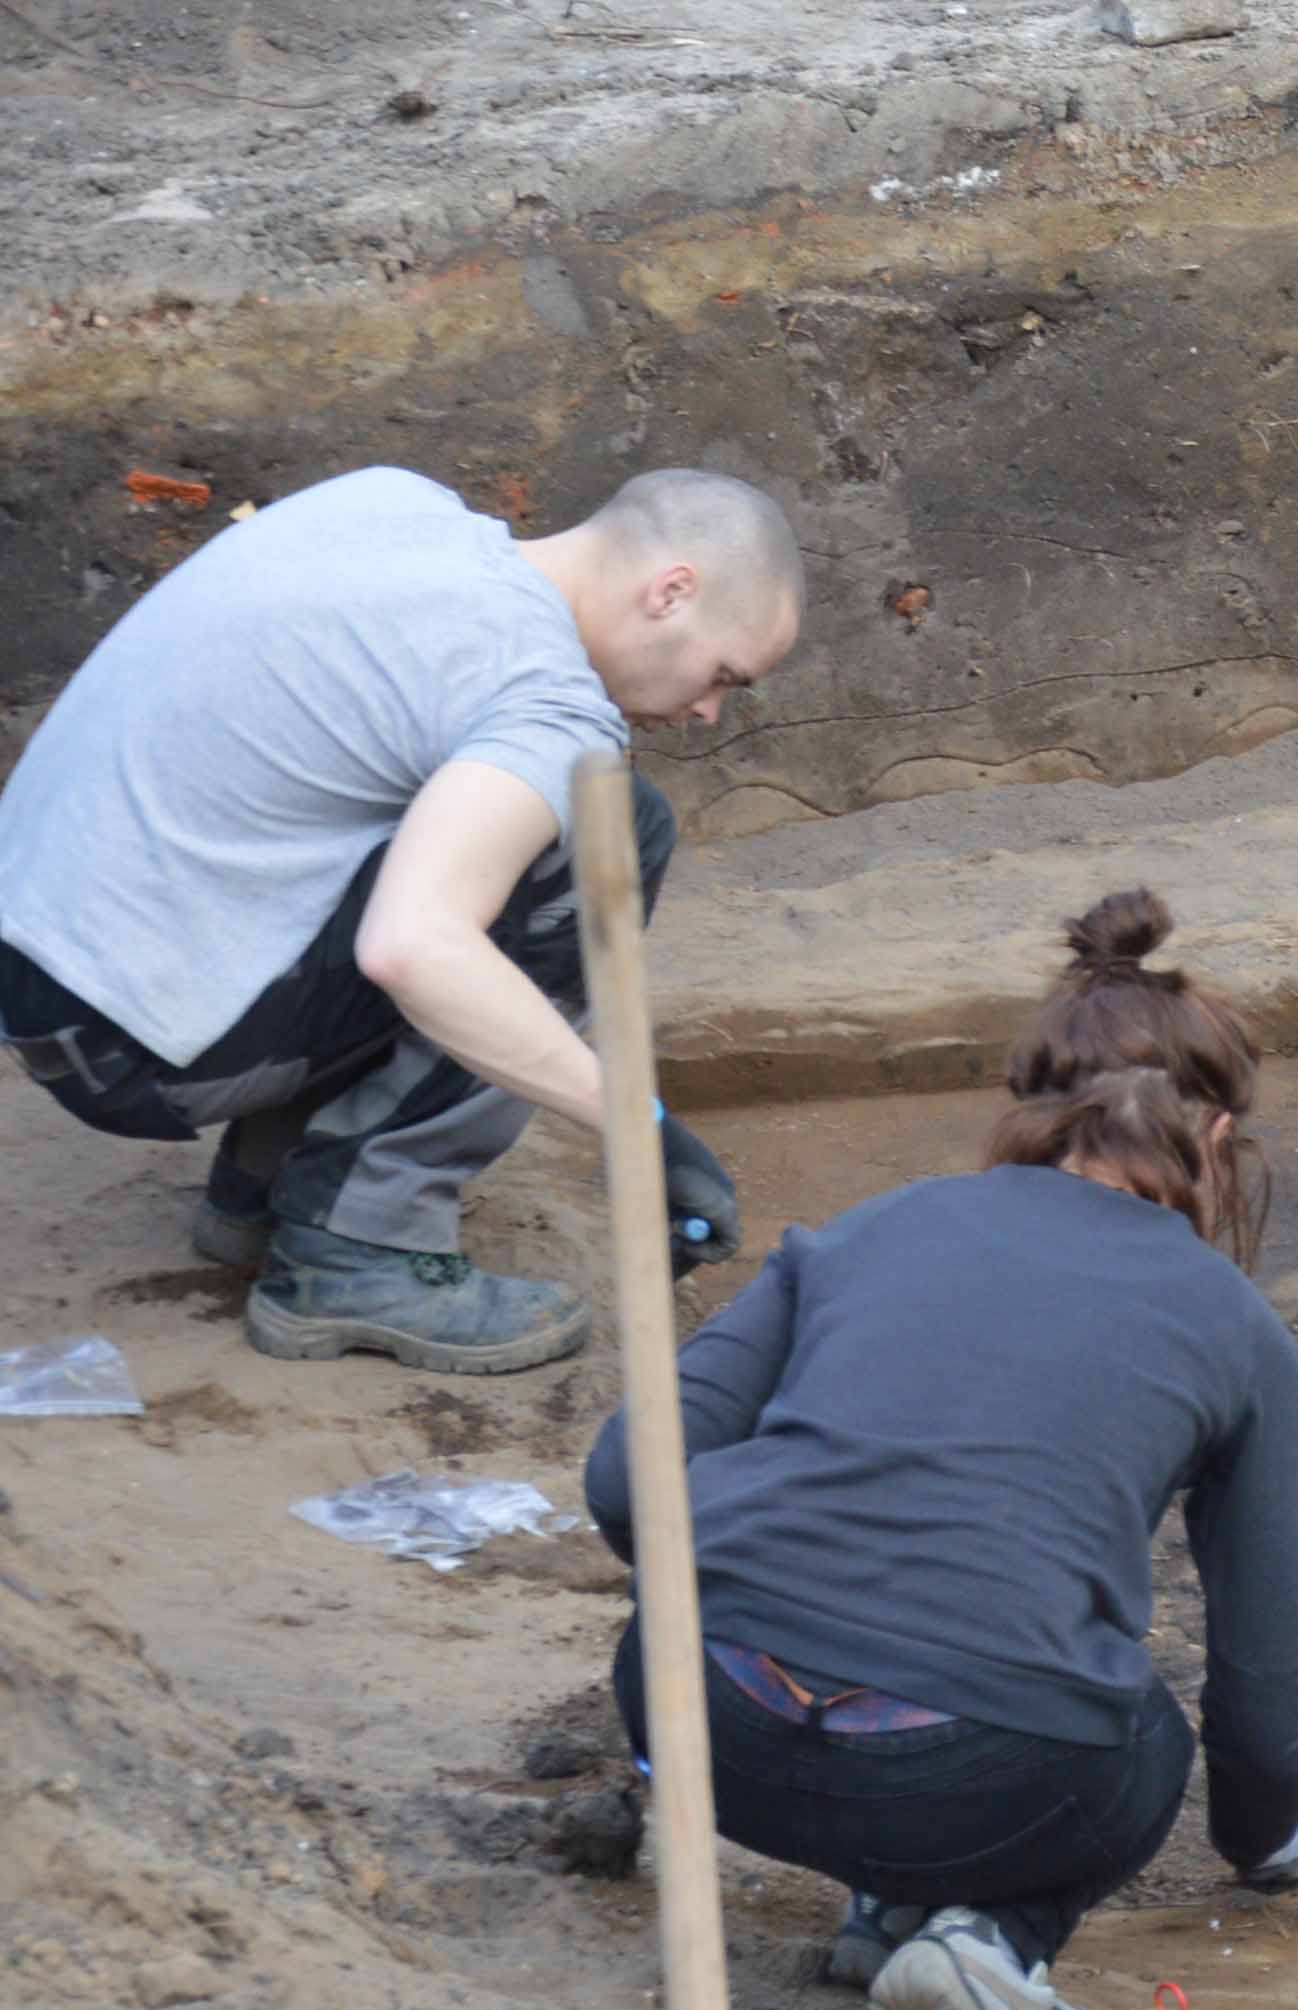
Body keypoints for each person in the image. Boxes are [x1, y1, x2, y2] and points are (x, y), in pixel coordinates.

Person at [584, 896, 1298, 2010]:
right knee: (1136, 1737)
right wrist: (1265, 1843)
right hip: (980, 1778)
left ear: (1029, 1107)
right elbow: (1265, 1685)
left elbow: (623, 1479)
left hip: (701, 1721)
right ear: (1215, 1133)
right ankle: (992, 1944)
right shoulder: (1236, 1327)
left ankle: (890, 1898)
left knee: (914, 1682)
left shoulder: (870, 1230)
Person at [0, 465, 796, 1370]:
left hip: (44, 965)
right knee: (609, 827)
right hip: (120, 1043)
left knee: (464, 830)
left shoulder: (387, 503)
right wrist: (640, 1127)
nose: (706, 711)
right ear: (672, 592)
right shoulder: (547, 705)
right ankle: (357, 1247)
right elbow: (412, 947)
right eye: (723, 675)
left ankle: (262, 1187)